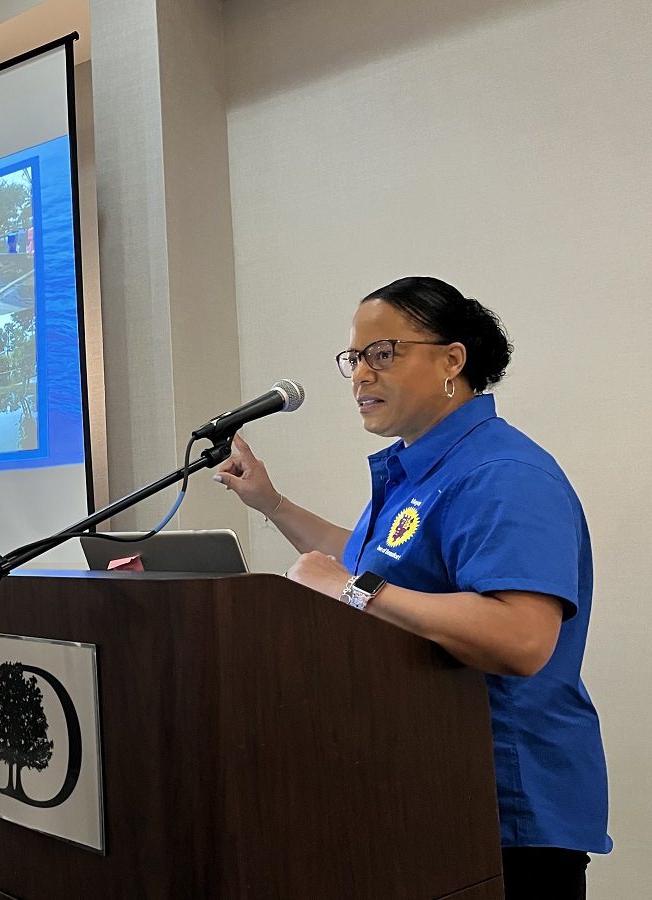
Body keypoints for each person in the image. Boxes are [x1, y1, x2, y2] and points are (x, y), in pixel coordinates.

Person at [215, 276, 609, 899]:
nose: (360, 376)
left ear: (453, 359)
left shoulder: (504, 473)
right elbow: (372, 564)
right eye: (354, 359)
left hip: (505, 818)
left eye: (384, 353)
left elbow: (522, 638)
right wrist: (271, 503)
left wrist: (354, 589)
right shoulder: (426, 464)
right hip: (426, 789)